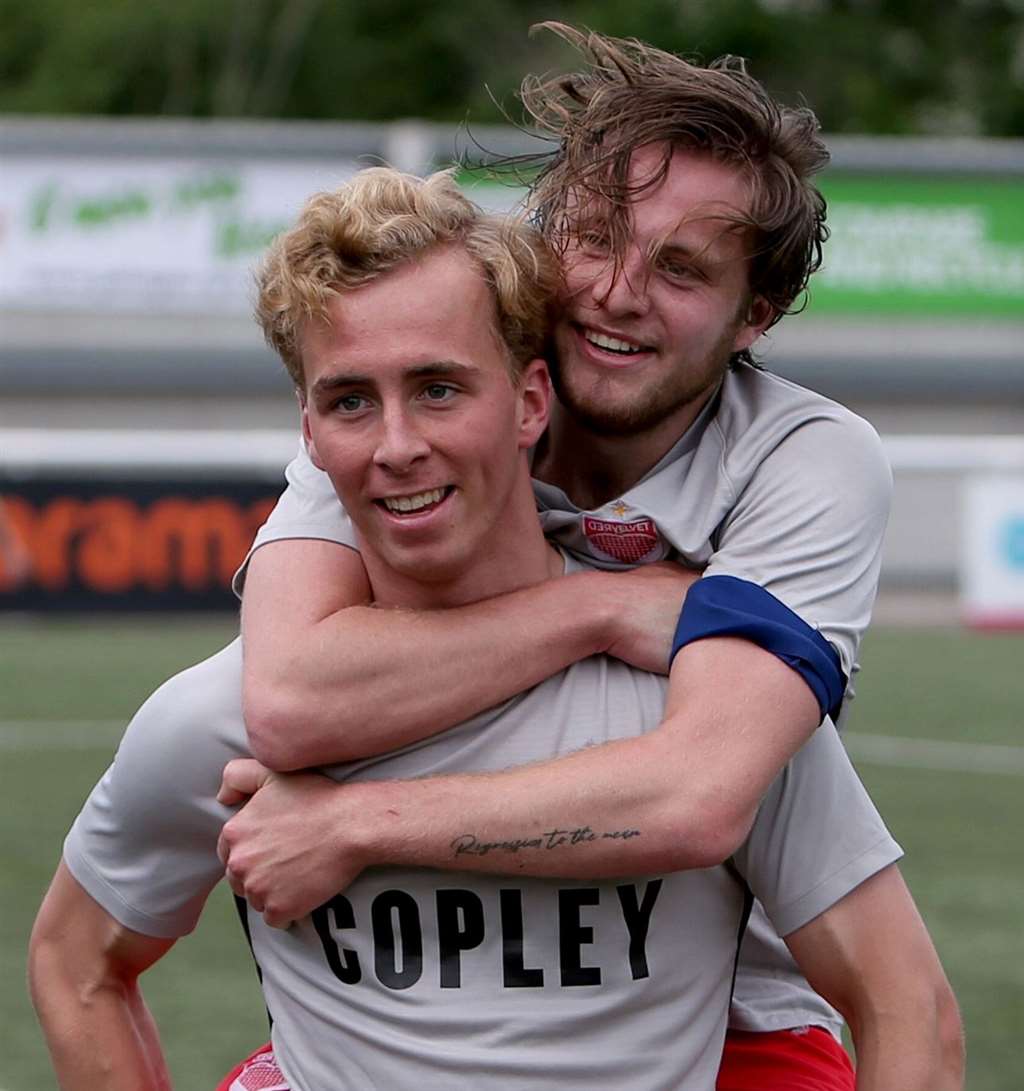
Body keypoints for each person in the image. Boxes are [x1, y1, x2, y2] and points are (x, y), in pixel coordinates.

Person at [30, 168, 961, 1091]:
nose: (398, 445)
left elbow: (906, 1004)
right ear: (308, 434)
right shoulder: (215, 720)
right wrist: (597, 607)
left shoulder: (710, 699)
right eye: (351, 400)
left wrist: (353, 827)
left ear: (530, 404)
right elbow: (75, 964)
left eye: (439, 389)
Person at [227, 25, 949, 1090]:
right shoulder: (426, 400)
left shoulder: (806, 459)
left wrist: (351, 822)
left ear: (758, 313)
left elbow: (698, 796)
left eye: (682, 268)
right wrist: (605, 611)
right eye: (597, 236)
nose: (617, 290)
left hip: (713, 995)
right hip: (441, 973)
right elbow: (290, 698)